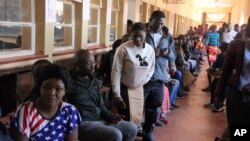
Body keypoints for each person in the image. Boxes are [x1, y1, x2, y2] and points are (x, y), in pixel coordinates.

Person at [67, 49, 137, 141]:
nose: (93, 66)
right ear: (77, 65)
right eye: (89, 63)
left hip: (99, 120)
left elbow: (101, 105)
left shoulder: (95, 83)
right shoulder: (69, 83)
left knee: (131, 128)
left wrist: (112, 117)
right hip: (83, 123)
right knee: (115, 135)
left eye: (94, 62)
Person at [10, 64, 81, 141]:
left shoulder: (70, 111)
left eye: (58, 89)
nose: (52, 93)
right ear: (40, 87)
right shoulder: (26, 111)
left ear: (65, 92)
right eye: (47, 87)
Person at [111, 22, 155, 126]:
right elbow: (115, 73)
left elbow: (152, 68)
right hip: (124, 87)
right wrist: (117, 95)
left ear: (146, 34)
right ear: (131, 35)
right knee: (126, 117)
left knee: (137, 117)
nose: (138, 39)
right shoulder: (123, 49)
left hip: (139, 87)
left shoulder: (150, 50)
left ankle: (133, 134)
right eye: (135, 36)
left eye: (141, 36)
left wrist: (144, 80)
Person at [144, 10, 177, 141]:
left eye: (162, 23)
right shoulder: (143, 33)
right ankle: (136, 130)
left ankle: (148, 132)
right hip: (143, 77)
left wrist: (168, 52)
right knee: (139, 107)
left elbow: (173, 54)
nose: (159, 26)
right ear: (150, 20)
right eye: (157, 23)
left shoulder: (167, 36)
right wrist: (151, 52)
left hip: (159, 76)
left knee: (155, 106)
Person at [214, 16, 250, 126]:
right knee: (237, 130)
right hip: (238, 95)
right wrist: (219, 94)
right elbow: (226, 71)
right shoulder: (236, 45)